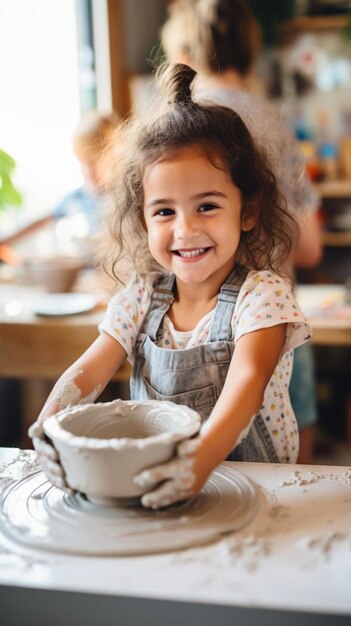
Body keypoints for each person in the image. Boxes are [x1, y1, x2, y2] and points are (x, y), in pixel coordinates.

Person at [29, 62, 311, 509]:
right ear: (142, 220)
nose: (185, 230)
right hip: (159, 490)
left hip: (259, 495)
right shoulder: (139, 298)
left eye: (207, 206)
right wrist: (47, 429)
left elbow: (248, 382)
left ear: (248, 210)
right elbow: (87, 373)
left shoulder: (263, 297)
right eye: (164, 212)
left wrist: (198, 462)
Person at [160, 0, 323, 463]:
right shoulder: (271, 119)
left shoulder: (173, 125)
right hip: (274, 322)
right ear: (248, 47)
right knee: (284, 496)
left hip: (187, 327)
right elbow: (308, 248)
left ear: (184, 52)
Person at [0, 110, 118, 252]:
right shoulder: (79, 198)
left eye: (94, 162)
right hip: (89, 268)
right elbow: (43, 220)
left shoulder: (123, 196)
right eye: (82, 162)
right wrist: (5, 241)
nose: (88, 171)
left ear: (114, 157)